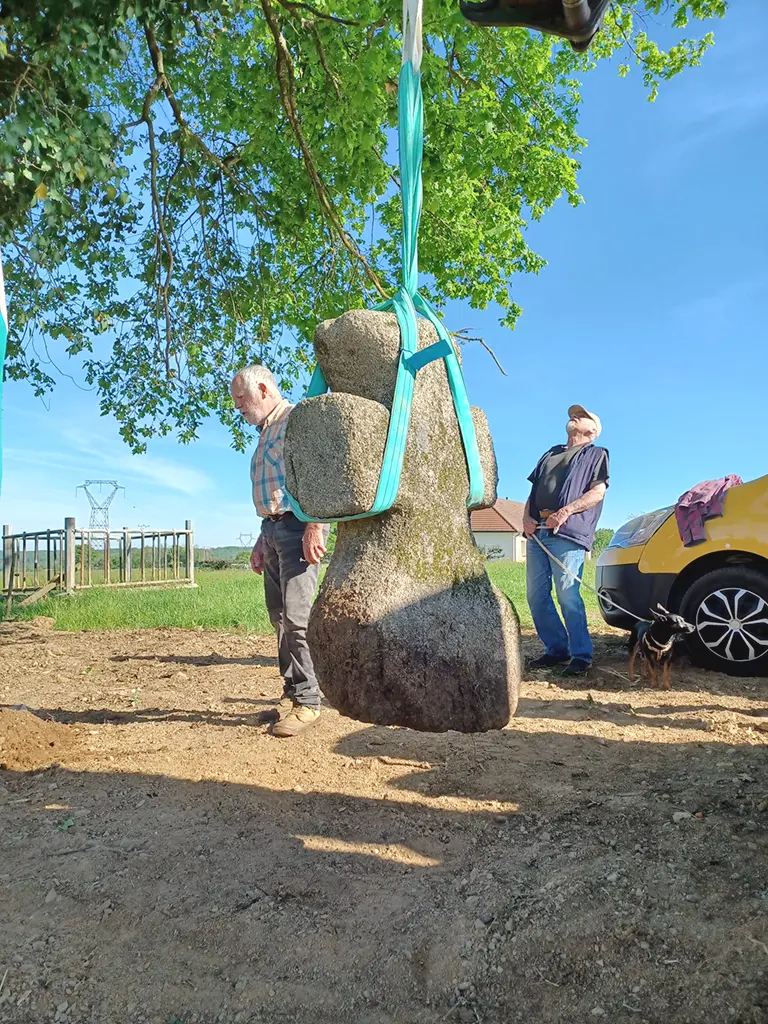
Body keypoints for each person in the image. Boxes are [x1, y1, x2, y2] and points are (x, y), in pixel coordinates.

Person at [231, 365, 328, 737]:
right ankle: (291, 694)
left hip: (298, 528)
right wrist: (262, 537)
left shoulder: (296, 420)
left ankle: (309, 702)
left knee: (297, 619)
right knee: (279, 616)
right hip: (273, 530)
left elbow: (318, 476)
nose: (238, 407)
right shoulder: (266, 431)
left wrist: (315, 525)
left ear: (262, 389)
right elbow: (274, 492)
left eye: (241, 398)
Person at [523, 404, 609, 677]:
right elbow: (534, 491)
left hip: (567, 533)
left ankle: (581, 655)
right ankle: (557, 649)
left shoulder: (596, 454)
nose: (574, 417)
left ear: (592, 431)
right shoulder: (550, 453)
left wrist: (565, 512)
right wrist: (525, 518)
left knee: (567, 593)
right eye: (574, 415)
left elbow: (597, 492)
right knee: (535, 596)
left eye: (581, 416)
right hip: (537, 531)